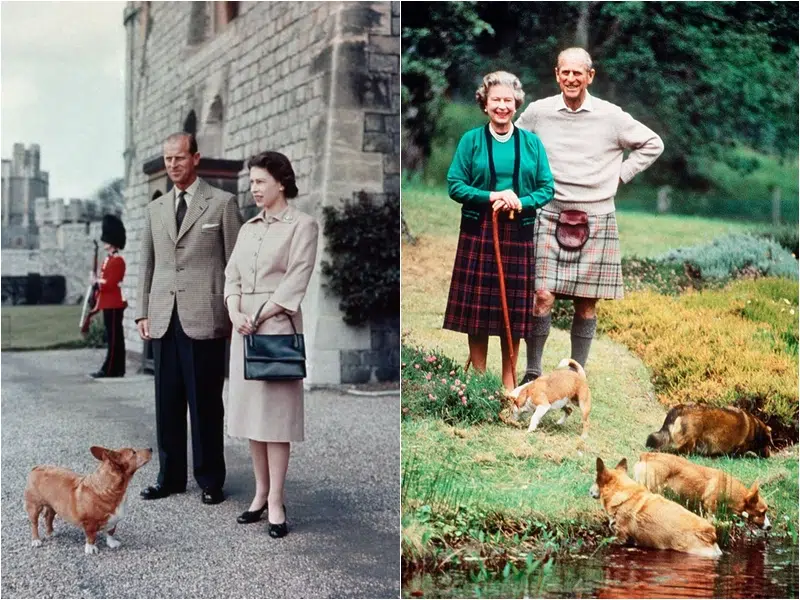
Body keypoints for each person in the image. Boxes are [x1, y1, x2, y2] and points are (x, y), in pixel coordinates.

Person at [516, 48, 664, 384]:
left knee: (586, 304)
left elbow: (653, 144)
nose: (571, 79)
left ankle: (574, 375)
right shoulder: (539, 112)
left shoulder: (611, 116)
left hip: (596, 218)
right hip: (549, 213)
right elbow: (517, 142)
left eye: (577, 73)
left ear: (590, 76)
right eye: (565, 73)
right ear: (557, 74)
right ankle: (533, 371)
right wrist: (526, 181)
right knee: (541, 296)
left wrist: (620, 176)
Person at [136, 132, 243, 505]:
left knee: (206, 403)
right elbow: (147, 264)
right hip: (164, 317)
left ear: (195, 158)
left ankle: (211, 479)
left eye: (179, 158)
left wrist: (235, 310)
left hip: (205, 317)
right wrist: (141, 312)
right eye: (167, 160)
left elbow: (236, 264)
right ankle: (170, 478)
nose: (172, 165)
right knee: (167, 402)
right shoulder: (156, 209)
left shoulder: (223, 204)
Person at [224, 151, 318, 538]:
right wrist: (233, 311)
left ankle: (277, 499)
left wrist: (259, 315)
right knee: (252, 419)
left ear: (281, 182)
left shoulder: (303, 225)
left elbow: (296, 279)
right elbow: (230, 276)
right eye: (251, 183)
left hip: (276, 327)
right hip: (243, 329)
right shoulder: (247, 229)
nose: (254, 189)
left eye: (260, 181)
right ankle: (260, 494)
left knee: (276, 420)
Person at [443, 71, 555, 391]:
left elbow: (547, 188)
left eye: (508, 100)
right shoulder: (471, 141)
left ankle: (508, 385)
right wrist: (492, 196)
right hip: (479, 233)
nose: (502, 106)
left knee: (513, 313)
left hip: (517, 236)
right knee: (477, 312)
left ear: (517, 103)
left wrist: (520, 202)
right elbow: (455, 185)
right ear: (485, 103)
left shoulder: (532, 144)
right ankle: (478, 381)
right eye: (496, 100)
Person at [90, 214, 128, 379]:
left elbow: (110, 283)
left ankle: (111, 368)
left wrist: (95, 282)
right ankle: (117, 368)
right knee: (114, 337)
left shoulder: (118, 260)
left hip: (114, 303)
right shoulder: (109, 260)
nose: (104, 242)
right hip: (108, 302)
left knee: (114, 338)